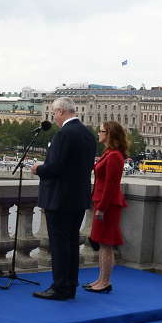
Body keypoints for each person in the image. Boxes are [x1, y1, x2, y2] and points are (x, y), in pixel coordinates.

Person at [31, 97, 97, 300]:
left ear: (61, 112)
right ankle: (70, 285)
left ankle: (59, 287)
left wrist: (38, 169)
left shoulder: (64, 134)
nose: (54, 118)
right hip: (78, 198)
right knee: (71, 244)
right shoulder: (88, 134)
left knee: (59, 245)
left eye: (54, 114)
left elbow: (55, 168)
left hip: (59, 199)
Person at [86, 121, 129, 293]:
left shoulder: (114, 156)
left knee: (106, 245)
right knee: (103, 244)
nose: (98, 133)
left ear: (109, 134)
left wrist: (101, 208)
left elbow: (111, 185)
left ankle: (104, 282)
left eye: (101, 131)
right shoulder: (109, 153)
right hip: (103, 202)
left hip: (108, 205)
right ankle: (101, 279)